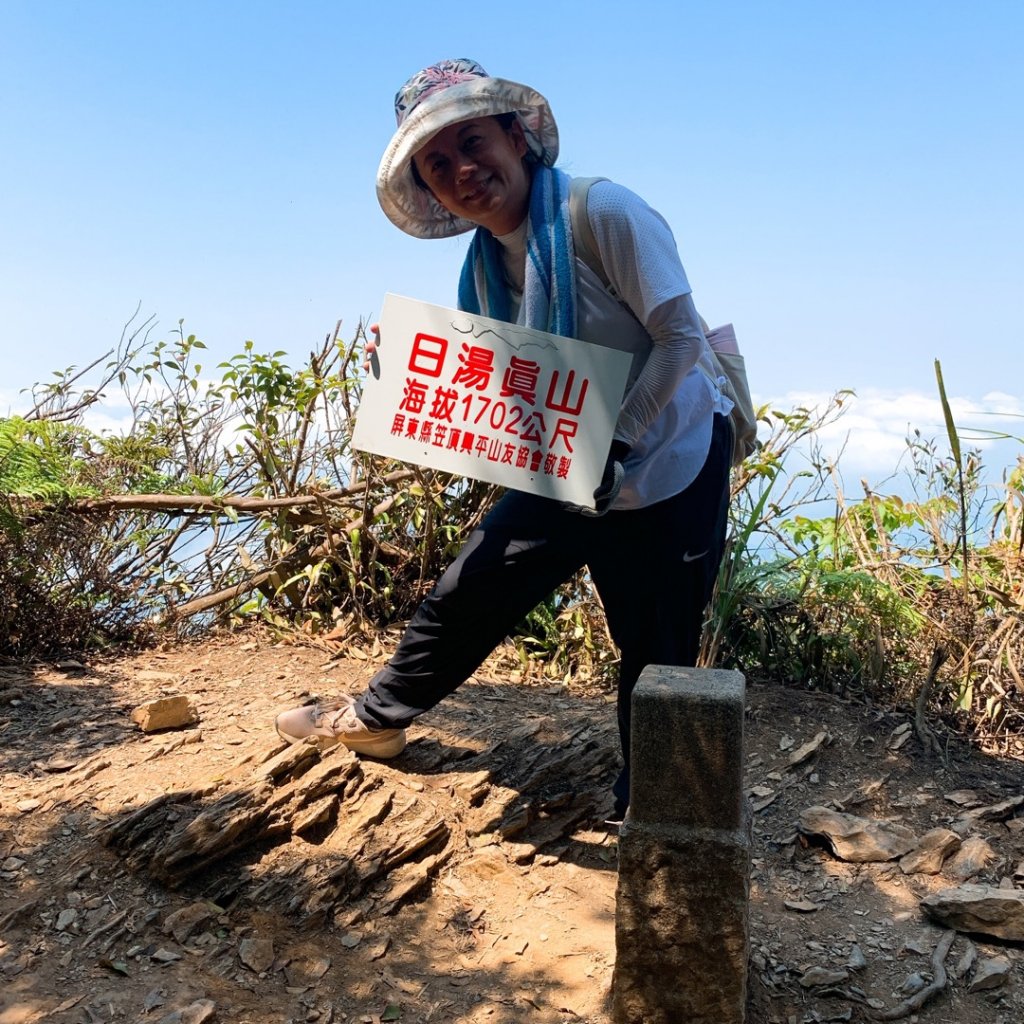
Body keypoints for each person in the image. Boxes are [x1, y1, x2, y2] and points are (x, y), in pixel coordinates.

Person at [275, 58, 733, 818]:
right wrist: (413, 367)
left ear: (517, 137)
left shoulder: (603, 213)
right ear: (429, 187)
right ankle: (378, 719)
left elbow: (679, 335)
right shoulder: (486, 270)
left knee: (656, 640)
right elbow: (511, 384)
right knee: (473, 583)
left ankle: (651, 803)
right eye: (437, 162)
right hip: (568, 459)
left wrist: (616, 442)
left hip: (667, 458)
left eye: (471, 142)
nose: (461, 168)